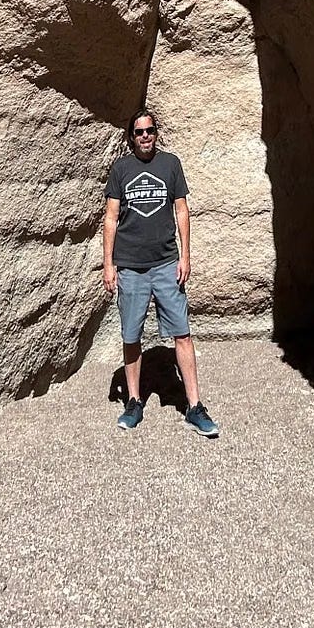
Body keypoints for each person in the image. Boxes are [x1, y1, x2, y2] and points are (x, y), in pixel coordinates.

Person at [102, 108, 219, 437]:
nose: (145, 136)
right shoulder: (121, 169)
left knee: (181, 333)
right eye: (138, 132)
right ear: (131, 136)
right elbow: (111, 217)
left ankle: (194, 405)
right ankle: (134, 401)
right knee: (131, 336)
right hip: (131, 267)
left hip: (167, 263)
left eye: (149, 130)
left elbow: (181, 210)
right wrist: (108, 263)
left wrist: (186, 255)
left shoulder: (171, 165)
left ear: (156, 132)